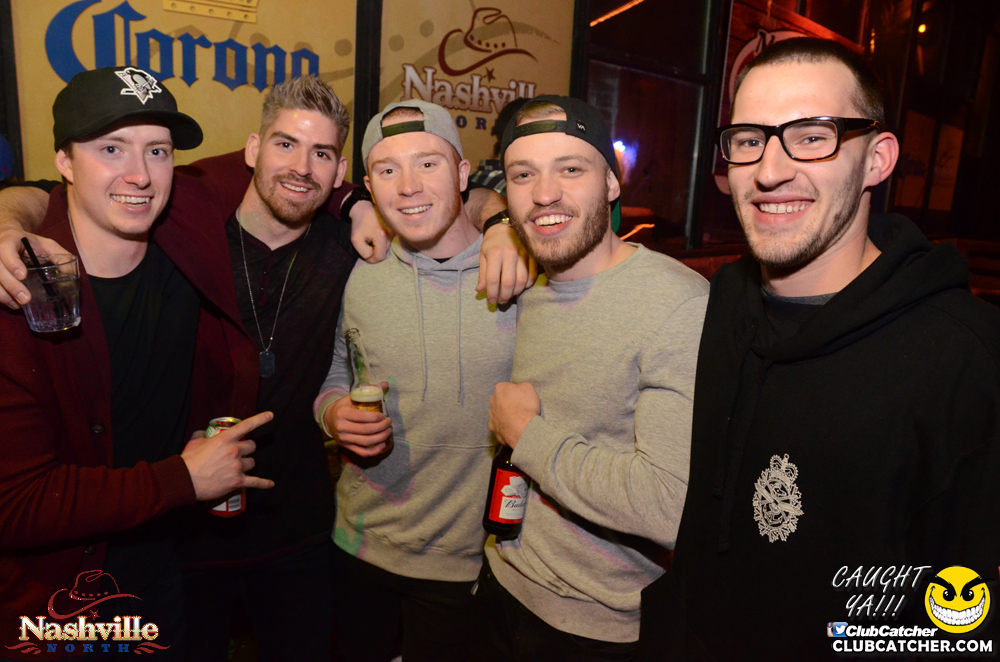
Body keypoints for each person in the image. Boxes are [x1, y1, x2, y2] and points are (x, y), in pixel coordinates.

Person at [638, 37, 1000, 660]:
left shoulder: (966, 356)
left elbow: (965, 620)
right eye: (749, 140)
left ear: (878, 159)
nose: (770, 170)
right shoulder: (725, 301)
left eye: (812, 136)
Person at [0, 66, 273, 659]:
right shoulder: (19, 293)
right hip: (53, 601)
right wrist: (183, 478)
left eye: (158, 150)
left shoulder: (185, 221)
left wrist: (365, 202)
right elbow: (15, 503)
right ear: (65, 162)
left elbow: (294, 172)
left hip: (160, 571)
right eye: (111, 148)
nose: (140, 174)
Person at [483, 96, 709, 661]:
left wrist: (526, 435)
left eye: (570, 169)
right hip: (499, 581)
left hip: (595, 627)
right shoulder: (524, 281)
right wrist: (491, 223)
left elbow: (670, 507)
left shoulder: (676, 303)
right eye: (523, 175)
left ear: (611, 183)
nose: (545, 193)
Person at [313, 99, 518, 662]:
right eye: (387, 170)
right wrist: (332, 414)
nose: (408, 186)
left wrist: (503, 223)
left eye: (428, 164)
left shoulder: (517, 270)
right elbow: (335, 371)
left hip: (471, 562)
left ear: (462, 174)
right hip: (357, 546)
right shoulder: (360, 269)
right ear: (369, 189)